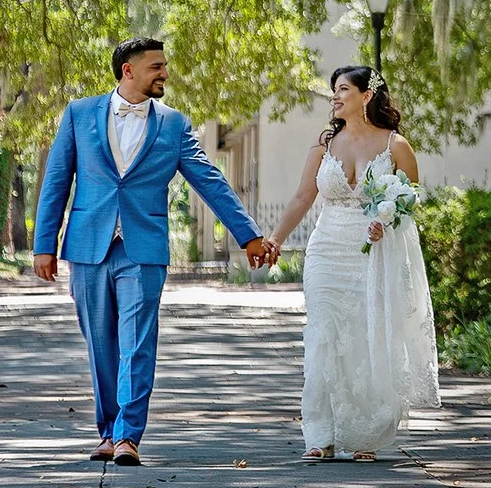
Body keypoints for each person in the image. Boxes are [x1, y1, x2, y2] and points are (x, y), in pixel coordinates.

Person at [32, 37, 277, 466]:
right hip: (89, 245)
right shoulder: (79, 114)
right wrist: (44, 245)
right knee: (100, 345)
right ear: (128, 70)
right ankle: (107, 431)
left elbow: (209, 180)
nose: (164, 73)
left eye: (164, 66)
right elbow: (56, 181)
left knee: (137, 341)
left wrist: (248, 234)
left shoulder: (174, 124)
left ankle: (128, 435)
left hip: (142, 249)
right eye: (156, 66)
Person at [263, 66, 439, 461]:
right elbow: (302, 197)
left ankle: (365, 435)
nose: (335, 97)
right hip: (326, 250)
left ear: (367, 94)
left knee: (366, 336)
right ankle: (319, 435)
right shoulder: (325, 143)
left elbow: (409, 203)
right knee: (324, 333)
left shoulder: (396, 146)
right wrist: (275, 238)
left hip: (372, 253)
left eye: (343, 89)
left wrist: (385, 223)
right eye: (333, 91)